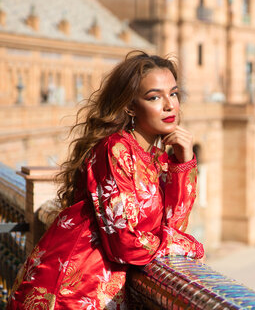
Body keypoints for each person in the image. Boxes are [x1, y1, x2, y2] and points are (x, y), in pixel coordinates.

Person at [8, 51, 204, 309]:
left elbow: (175, 224)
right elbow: (125, 244)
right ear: (130, 106)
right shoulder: (115, 150)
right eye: (154, 97)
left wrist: (184, 162)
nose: (169, 105)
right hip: (67, 292)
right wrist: (187, 245)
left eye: (174, 93)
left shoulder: (157, 159)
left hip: (96, 292)